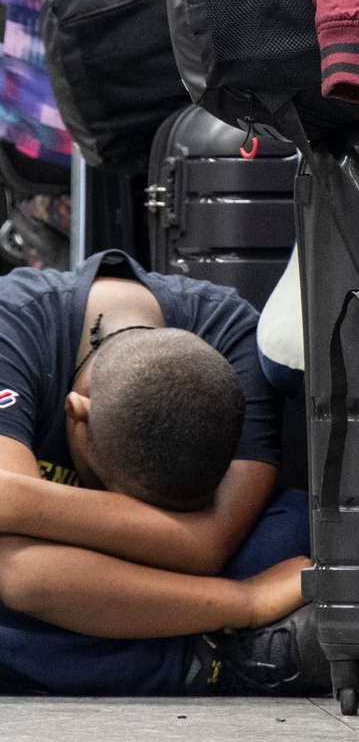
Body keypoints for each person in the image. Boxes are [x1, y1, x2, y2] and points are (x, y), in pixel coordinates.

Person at [0, 248, 327, 696]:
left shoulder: (235, 339)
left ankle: (135, 640)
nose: (135, 534)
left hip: (145, 570)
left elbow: (207, 546)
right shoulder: (11, 328)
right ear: (78, 416)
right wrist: (245, 603)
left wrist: (18, 502)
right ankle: (211, 658)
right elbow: (22, 576)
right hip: (44, 577)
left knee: (301, 529)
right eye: (123, 496)